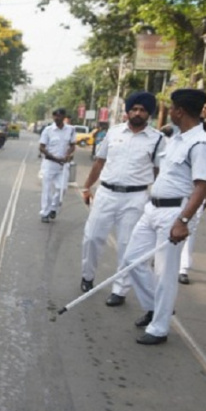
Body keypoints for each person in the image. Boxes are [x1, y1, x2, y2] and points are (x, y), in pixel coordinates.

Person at [121, 88, 206, 345]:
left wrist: (183, 221)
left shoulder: (201, 144)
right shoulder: (176, 138)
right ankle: (155, 306)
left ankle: (159, 327)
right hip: (153, 208)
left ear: (180, 111)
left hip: (175, 213)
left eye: (172, 108)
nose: (170, 112)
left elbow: (202, 186)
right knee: (132, 260)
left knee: (165, 272)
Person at [78, 92, 165, 306]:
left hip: (136, 197)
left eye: (142, 110)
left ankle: (120, 289)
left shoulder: (158, 140)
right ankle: (87, 277)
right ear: (128, 111)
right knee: (92, 237)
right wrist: (87, 186)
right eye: (134, 109)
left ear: (149, 113)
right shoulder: (114, 133)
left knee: (127, 244)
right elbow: (99, 162)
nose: (137, 113)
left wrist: (157, 200)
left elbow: (159, 171)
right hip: (106, 193)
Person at [38, 108, 76, 222]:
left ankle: (53, 208)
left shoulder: (71, 130)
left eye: (59, 116)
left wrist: (68, 154)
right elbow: (41, 147)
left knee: (62, 188)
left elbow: (72, 145)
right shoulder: (48, 130)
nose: (57, 118)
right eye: (55, 115)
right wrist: (55, 158)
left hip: (63, 165)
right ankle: (45, 213)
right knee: (47, 190)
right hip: (49, 164)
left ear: (64, 117)